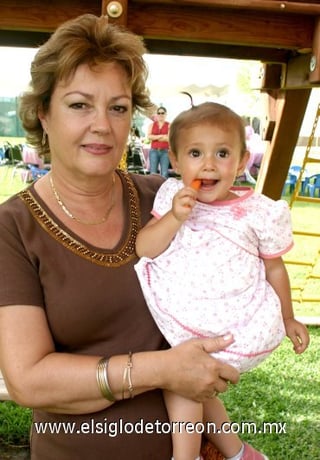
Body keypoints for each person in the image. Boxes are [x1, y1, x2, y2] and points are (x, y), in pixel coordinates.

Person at [0, 14, 240, 460]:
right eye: (79, 105)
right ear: (42, 114)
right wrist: (164, 370)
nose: (103, 125)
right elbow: (28, 379)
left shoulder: (166, 198)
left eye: (118, 107)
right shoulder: (13, 228)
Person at [135, 100, 310, 460]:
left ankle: (185, 457)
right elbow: (145, 248)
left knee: (182, 377)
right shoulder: (171, 197)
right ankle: (237, 451)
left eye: (223, 153)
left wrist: (289, 317)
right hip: (186, 311)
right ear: (176, 160)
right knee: (193, 378)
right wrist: (174, 218)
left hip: (236, 323)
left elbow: (274, 268)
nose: (209, 164)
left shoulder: (258, 212)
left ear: (242, 161)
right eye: (196, 153)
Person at [147, 106, 170, 177]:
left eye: (162, 113)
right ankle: (153, 188)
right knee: (153, 172)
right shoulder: (151, 125)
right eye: (159, 113)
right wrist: (161, 136)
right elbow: (149, 137)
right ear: (156, 114)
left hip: (165, 152)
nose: (160, 115)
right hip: (154, 151)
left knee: (164, 173)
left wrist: (155, 137)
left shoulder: (169, 125)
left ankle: (164, 188)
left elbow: (169, 138)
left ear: (166, 114)